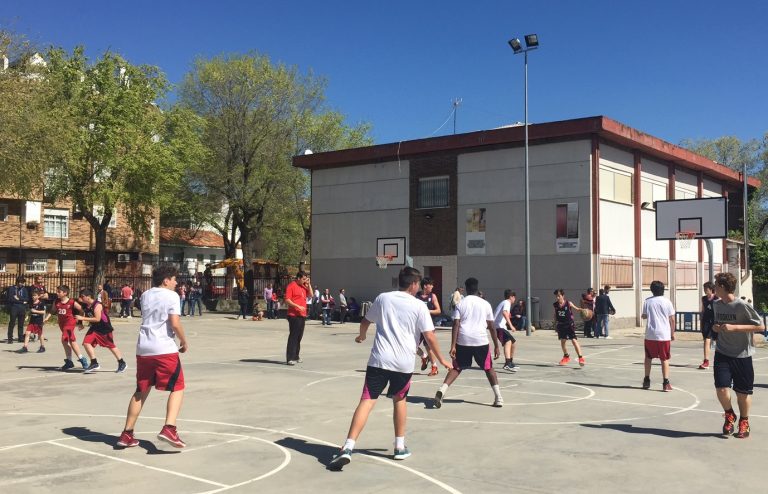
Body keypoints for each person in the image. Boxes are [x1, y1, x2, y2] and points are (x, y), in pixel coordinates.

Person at [327, 267, 451, 471]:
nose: (419, 287)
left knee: (367, 401)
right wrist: (442, 360)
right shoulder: (419, 306)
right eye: (418, 284)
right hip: (403, 363)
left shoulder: (383, 298)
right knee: (400, 400)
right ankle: (399, 447)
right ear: (413, 284)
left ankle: (348, 447)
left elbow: (366, 321)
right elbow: (430, 336)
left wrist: (362, 336)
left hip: (379, 359)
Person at [116, 264, 189, 449]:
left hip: (144, 349)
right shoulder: (172, 296)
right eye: (174, 280)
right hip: (163, 348)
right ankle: (169, 428)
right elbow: (174, 322)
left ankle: (127, 433)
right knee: (178, 386)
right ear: (166, 280)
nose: (176, 283)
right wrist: (184, 340)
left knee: (141, 390)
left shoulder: (146, 295)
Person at [434, 277, 504, 409]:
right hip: (480, 340)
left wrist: (453, 345)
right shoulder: (485, 304)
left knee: (457, 368)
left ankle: (442, 390)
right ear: (477, 288)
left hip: (463, 340)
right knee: (488, 368)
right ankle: (498, 397)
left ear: (466, 289)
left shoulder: (461, 303)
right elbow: (491, 326)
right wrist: (496, 345)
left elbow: (456, 324)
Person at [712, 272, 765, 438]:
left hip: (742, 355)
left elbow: (761, 327)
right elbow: (717, 324)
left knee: (742, 393)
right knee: (721, 388)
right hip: (722, 352)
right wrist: (716, 328)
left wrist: (735, 328)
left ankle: (744, 420)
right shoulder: (716, 305)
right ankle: (729, 414)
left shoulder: (741, 305)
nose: (714, 288)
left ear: (722, 287)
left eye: (716, 286)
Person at [76, 288, 127, 373]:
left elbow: (97, 319)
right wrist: (80, 323)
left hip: (104, 328)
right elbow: (82, 312)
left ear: (88, 297)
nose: (80, 298)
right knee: (86, 343)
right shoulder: (85, 305)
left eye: (82, 296)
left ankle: (122, 362)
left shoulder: (97, 305)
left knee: (110, 346)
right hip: (95, 328)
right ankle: (94, 363)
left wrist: (82, 318)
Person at [641, 281, 675, 392]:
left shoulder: (647, 301)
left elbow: (644, 316)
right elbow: (672, 319)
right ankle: (665, 382)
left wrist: (646, 314)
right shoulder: (667, 302)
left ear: (652, 290)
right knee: (664, 358)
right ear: (663, 290)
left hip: (651, 334)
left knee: (648, 357)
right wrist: (672, 333)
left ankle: (647, 380)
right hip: (664, 334)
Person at [54, 285, 89, 371]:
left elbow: (81, 310)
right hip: (62, 324)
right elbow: (52, 310)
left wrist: (80, 322)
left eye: (59, 292)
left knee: (65, 340)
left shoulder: (72, 302)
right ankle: (71, 361)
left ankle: (80, 359)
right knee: (69, 341)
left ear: (65, 293)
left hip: (70, 323)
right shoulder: (57, 301)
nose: (57, 293)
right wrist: (47, 317)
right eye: (57, 291)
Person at [415, 277, 442, 376]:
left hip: (428, 325)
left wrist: (427, 311)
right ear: (425, 286)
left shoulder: (433, 296)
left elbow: (438, 310)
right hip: (417, 325)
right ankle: (424, 357)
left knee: (428, 346)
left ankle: (434, 367)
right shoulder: (416, 296)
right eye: (431, 284)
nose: (432, 286)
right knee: (412, 346)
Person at [553, 289, 586, 367]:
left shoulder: (568, 303)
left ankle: (581, 358)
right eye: (556, 296)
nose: (557, 298)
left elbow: (577, 309)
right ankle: (566, 356)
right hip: (561, 325)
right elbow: (555, 314)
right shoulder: (555, 305)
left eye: (559, 296)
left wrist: (583, 311)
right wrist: (555, 324)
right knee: (563, 341)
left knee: (574, 340)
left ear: (563, 296)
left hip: (569, 324)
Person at [284, 271, 311, 365]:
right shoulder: (291, 286)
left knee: (299, 336)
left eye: (306, 279)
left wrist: (309, 284)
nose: (304, 281)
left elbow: (311, 295)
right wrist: (297, 306)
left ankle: (296, 356)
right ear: (298, 278)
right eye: (303, 279)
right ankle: (290, 358)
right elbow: (287, 299)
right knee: (293, 336)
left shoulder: (303, 286)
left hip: (302, 315)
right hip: (294, 315)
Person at [494, 289, 518, 371]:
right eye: (514, 297)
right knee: (508, 342)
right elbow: (504, 313)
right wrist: (511, 326)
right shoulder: (507, 302)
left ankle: (510, 362)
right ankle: (507, 364)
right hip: (498, 327)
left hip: (501, 327)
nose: (514, 299)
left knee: (513, 342)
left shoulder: (504, 303)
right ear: (511, 297)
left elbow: (504, 313)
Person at [19, 289, 48, 353]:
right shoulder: (31, 303)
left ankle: (42, 347)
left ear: (38, 296)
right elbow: (31, 311)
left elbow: (43, 312)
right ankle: (25, 347)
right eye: (32, 295)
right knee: (27, 333)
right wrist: (27, 316)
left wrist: (36, 311)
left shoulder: (41, 303)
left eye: (35, 295)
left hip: (38, 321)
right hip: (32, 321)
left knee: (40, 334)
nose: (33, 297)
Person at [699, 281, 718, 369]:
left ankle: (721, 360)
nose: (705, 290)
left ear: (711, 289)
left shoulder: (717, 298)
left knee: (718, 341)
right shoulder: (703, 299)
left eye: (706, 289)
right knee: (706, 340)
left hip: (715, 321)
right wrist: (701, 321)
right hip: (706, 321)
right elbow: (703, 311)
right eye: (704, 288)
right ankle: (706, 361)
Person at [7, 275, 28, 344]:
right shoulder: (12, 288)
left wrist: (18, 299)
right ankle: (10, 338)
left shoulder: (24, 289)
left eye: (22, 282)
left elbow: (27, 299)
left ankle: (20, 338)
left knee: (21, 324)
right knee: (12, 323)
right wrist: (22, 301)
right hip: (14, 307)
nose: (21, 283)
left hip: (22, 308)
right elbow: (11, 299)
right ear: (17, 282)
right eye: (19, 282)